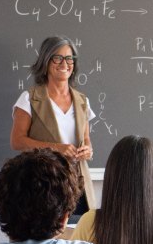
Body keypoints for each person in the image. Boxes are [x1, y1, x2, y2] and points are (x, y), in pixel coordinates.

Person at [10, 35, 96, 215]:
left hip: (77, 184)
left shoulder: (82, 101)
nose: (65, 63)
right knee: (46, 234)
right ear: (46, 61)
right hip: (42, 183)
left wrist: (87, 150)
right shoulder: (29, 98)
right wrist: (55, 148)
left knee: (76, 235)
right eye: (58, 58)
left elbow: (86, 138)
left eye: (69, 58)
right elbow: (17, 141)